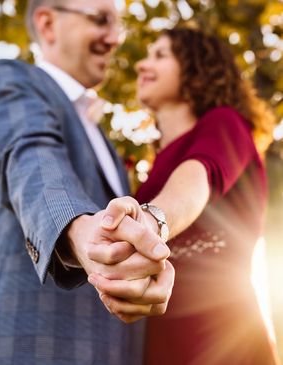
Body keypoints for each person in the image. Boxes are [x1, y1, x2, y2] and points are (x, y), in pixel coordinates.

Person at [0, 1, 175, 364]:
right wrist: (81, 230)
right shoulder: (12, 80)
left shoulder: (105, 141)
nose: (114, 39)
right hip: (29, 349)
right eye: (101, 20)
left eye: (118, 25)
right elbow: (30, 158)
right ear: (48, 24)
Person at [125, 27, 278, 364]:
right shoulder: (156, 165)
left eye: (160, 55)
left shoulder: (226, 124)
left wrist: (149, 223)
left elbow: (198, 176)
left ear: (195, 67)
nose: (141, 66)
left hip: (222, 338)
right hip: (159, 340)